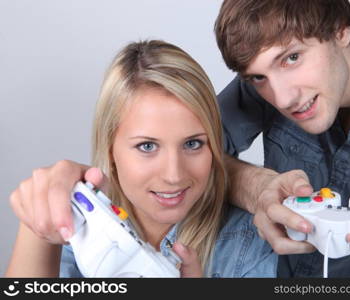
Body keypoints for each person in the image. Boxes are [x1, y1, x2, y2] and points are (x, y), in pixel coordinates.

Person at [5, 40, 278, 278]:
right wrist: (37, 227)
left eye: (193, 144)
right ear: (110, 147)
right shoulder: (77, 227)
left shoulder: (251, 244)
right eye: (147, 146)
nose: (174, 175)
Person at [214, 0, 350, 277]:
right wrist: (257, 188)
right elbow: (183, 157)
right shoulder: (270, 78)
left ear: (340, 31)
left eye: (292, 58)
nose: (283, 99)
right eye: (258, 77)